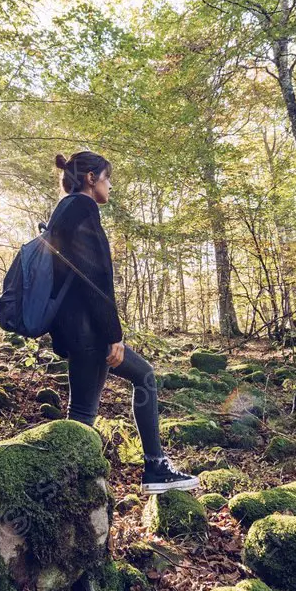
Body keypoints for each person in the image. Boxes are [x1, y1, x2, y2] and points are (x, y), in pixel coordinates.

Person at [45, 150, 199, 495]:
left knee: (82, 412)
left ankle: (62, 489)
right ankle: (153, 469)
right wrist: (113, 334)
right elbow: (94, 277)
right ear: (90, 178)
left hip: (74, 329)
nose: (110, 186)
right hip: (89, 330)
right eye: (107, 178)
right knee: (139, 379)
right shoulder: (83, 208)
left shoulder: (62, 212)